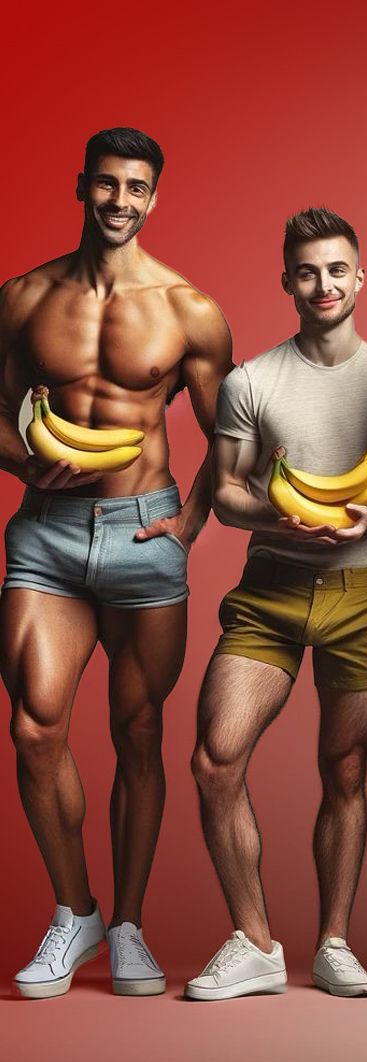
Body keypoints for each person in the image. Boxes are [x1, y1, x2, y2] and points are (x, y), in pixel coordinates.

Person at [0, 128, 232, 999]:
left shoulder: (188, 309)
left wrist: (188, 525)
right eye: (106, 185)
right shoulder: (23, 297)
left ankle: (128, 925)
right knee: (35, 726)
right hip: (47, 530)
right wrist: (24, 462)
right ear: (82, 188)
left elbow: (229, 437)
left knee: (138, 736)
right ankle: (75, 912)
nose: (120, 201)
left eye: (136, 188)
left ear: (154, 197)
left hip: (143, 533)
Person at [185, 208, 367, 1001]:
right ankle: (254, 940)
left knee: (345, 769)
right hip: (269, 596)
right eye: (306, 272)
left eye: (336, 270)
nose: (322, 285)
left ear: (360, 278)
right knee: (215, 758)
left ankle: (334, 942)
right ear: (286, 280)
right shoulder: (250, 381)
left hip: (362, 597)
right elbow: (225, 489)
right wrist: (271, 513)